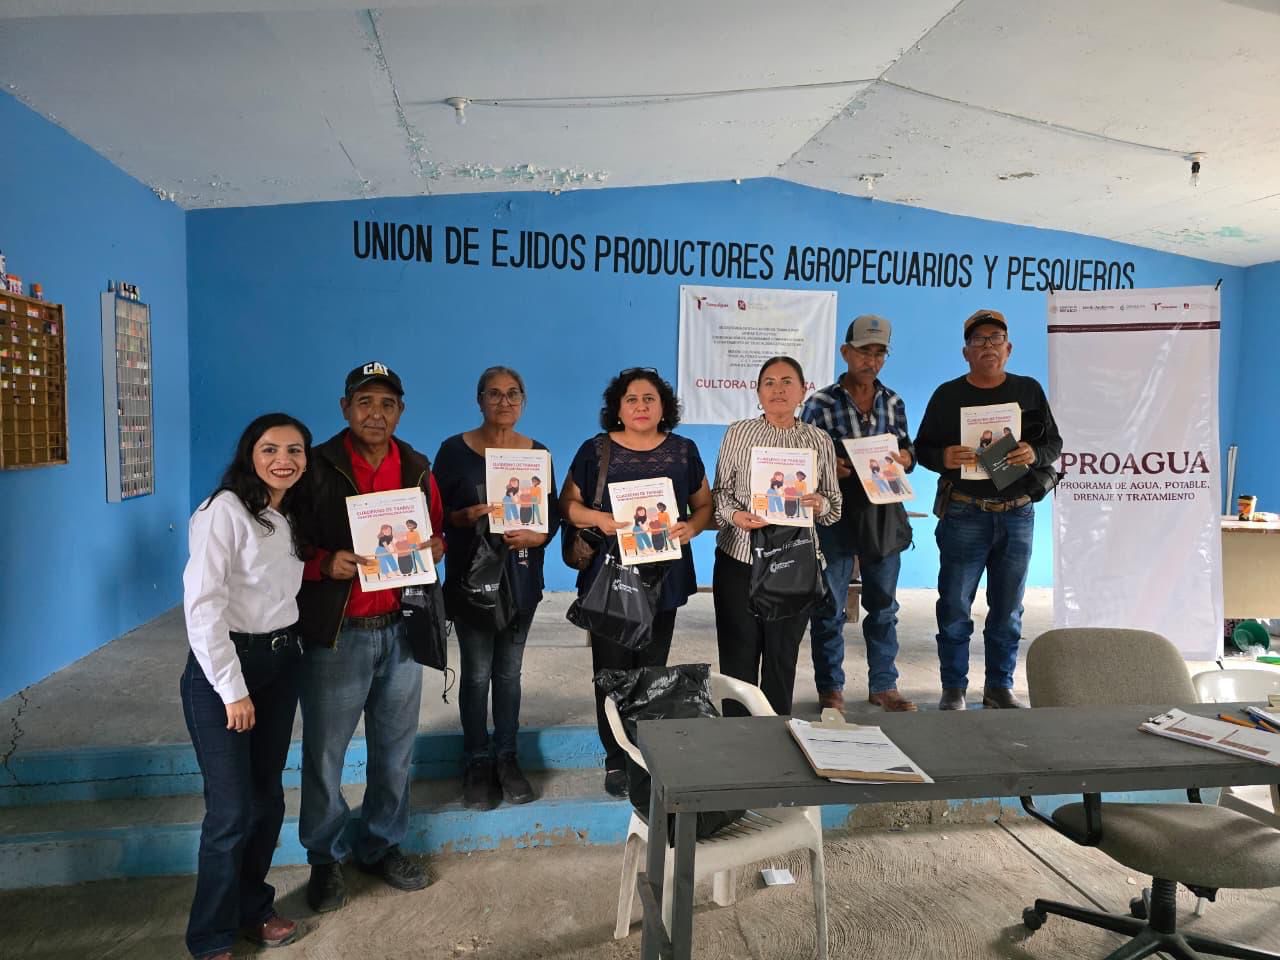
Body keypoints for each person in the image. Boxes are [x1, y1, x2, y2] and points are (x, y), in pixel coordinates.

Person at [297, 361, 444, 912]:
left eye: (386, 403)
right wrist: (322, 563)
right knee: (325, 755)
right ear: (345, 408)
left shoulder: (417, 467)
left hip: (402, 630)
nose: (375, 414)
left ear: (400, 411)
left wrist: (435, 548)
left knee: (395, 752)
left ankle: (380, 845)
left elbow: (437, 533)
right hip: (338, 636)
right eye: (364, 402)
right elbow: (287, 543)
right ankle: (325, 858)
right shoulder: (316, 467)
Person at [180, 412, 314, 960]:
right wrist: (232, 689)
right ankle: (210, 936)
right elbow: (203, 605)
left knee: (266, 800)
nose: (284, 460)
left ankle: (253, 907)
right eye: (270, 449)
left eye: (295, 450)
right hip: (224, 673)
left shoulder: (289, 515)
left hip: (281, 665)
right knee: (231, 811)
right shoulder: (223, 511)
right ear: (249, 455)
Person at [561, 367, 714, 797]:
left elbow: (705, 505)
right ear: (618, 408)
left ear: (664, 407)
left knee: (650, 669)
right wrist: (599, 519)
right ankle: (615, 757)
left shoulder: (683, 451)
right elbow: (567, 505)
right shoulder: (596, 450)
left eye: (650, 398)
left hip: (664, 579)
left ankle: (644, 753)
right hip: (610, 578)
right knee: (611, 671)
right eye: (631, 399)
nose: (641, 406)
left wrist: (692, 527)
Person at [915, 309, 1063, 711]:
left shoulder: (1028, 390)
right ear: (966, 352)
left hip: (1017, 513)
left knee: (1009, 609)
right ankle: (953, 689)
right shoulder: (947, 395)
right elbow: (921, 449)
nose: (988, 346)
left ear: (1008, 348)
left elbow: (1053, 444)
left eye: (995, 339)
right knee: (954, 605)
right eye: (978, 340)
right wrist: (943, 456)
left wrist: (1034, 453)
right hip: (965, 512)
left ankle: (999, 686)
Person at [433, 366, 560, 810]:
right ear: (479, 400)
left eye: (513, 394)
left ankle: (507, 757)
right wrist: (464, 517)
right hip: (473, 582)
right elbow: (435, 514)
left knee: (508, 673)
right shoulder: (454, 451)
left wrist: (538, 537)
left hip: (521, 580)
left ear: (523, 400)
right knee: (476, 673)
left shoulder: (538, 454)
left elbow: (551, 516)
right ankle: (476, 759)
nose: (504, 402)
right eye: (494, 394)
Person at [714, 356, 842, 716]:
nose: (778, 390)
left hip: (794, 564)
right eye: (769, 382)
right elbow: (720, 492)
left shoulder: (818, 440)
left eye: (787, 382)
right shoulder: (738, 433)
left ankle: (774, 738)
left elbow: (835, 506)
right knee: (737, 658)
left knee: (781, 660)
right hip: (740, 558)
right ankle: (738, 735)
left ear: (803, 391)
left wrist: (819, 503)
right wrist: (735, 515)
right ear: (758, 392)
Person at [802, 315, 918, 713]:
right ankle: (830, 689)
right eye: (863, 351)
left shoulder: (893, 403)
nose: (871, 360)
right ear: (845, 352)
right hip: (834, 514)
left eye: (879, 352)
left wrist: (906, 458)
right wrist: (826, 466)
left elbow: (907, 449)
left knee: (884, 606)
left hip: (884, 514)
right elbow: (802, 458)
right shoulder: (819, 404)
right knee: (829, 607)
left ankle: (884, 685)